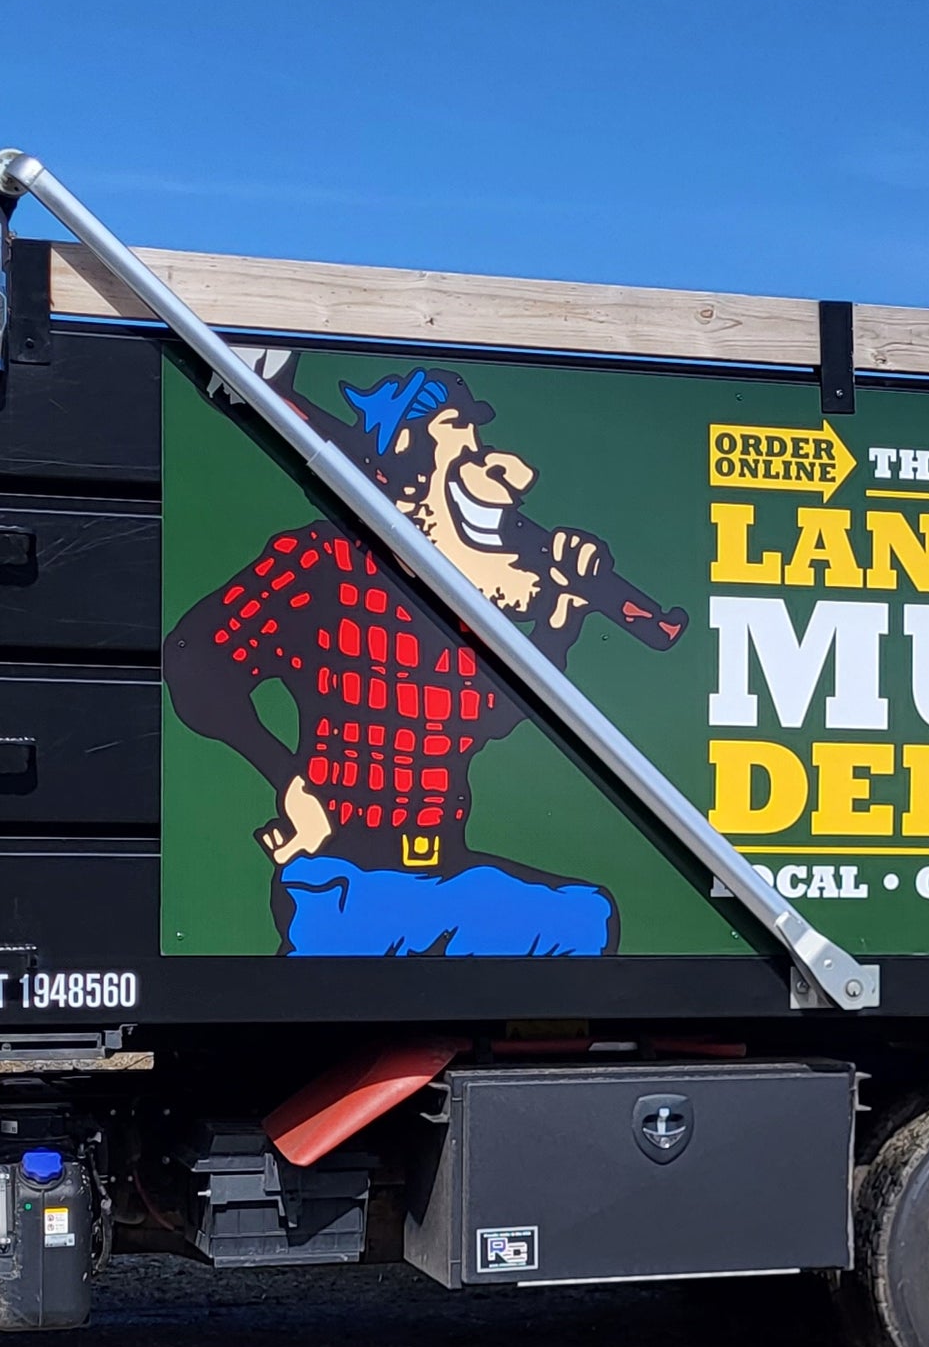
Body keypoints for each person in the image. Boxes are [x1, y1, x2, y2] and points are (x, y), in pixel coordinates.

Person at [162, 367, 674, 958]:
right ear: (405, 450)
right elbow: (194, 659)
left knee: (584, 920)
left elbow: (485, 713)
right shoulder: (324, 563)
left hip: (442, 874)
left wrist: (561, 618)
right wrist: (288, 779)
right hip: (343, 876)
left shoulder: (455, 599)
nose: (492, 463)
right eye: (460, 433)